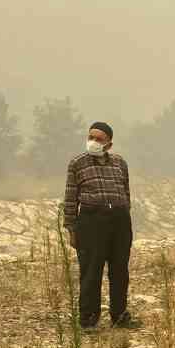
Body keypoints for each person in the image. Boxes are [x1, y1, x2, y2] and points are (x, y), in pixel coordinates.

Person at [63, 121, 141, 331]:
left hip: (119, 221)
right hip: (91, 221)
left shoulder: (119, 163)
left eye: (99, 139)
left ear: (109, 144)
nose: (93, 142)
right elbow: (70, 198)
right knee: (91, 271)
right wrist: (71, 228)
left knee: (120, 271)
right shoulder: (77, 163)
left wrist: (124, 213)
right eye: (91, 137)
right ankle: (88, 319)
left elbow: (126, 191)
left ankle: (120, 316)